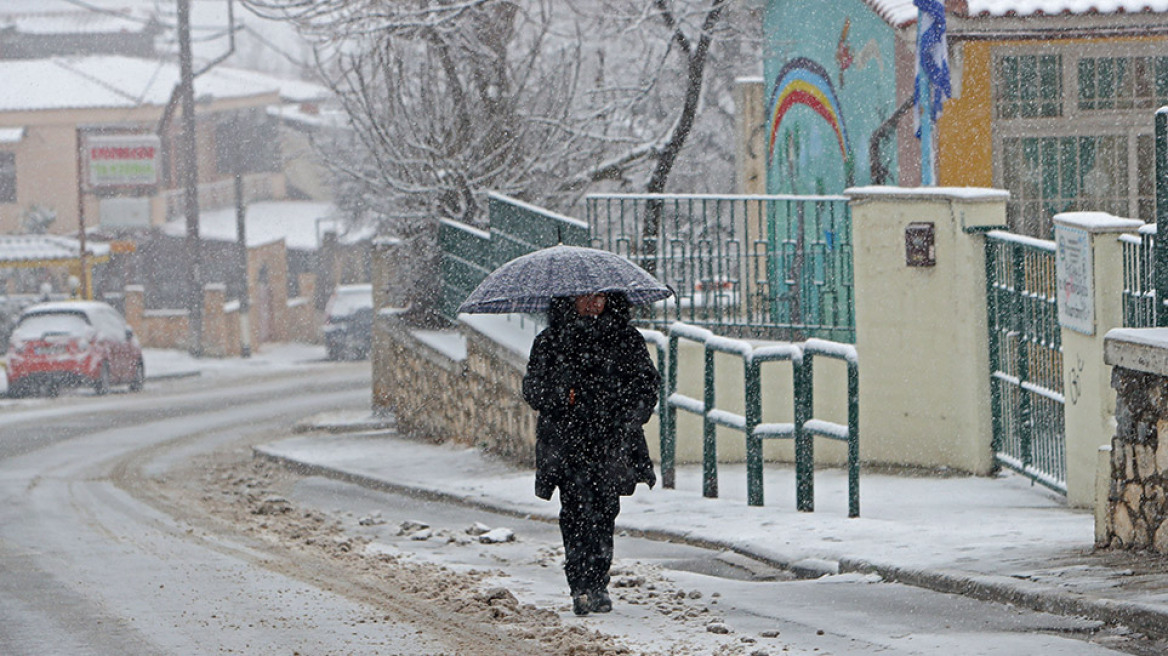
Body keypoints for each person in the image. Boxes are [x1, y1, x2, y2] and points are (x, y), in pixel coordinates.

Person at [522, 292, 659, 616]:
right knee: (574, 513)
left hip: (610, 442)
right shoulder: (551, 341)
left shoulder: (626, 339)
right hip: (568, 444)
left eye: (600, 297)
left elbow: (647, 386)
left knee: (605, 511)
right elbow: (533, 389)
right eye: (585, 297)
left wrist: (626, 411)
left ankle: (598, 583)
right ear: (569, 300)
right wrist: (563, 394)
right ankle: (579, 585)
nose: (593, 304)